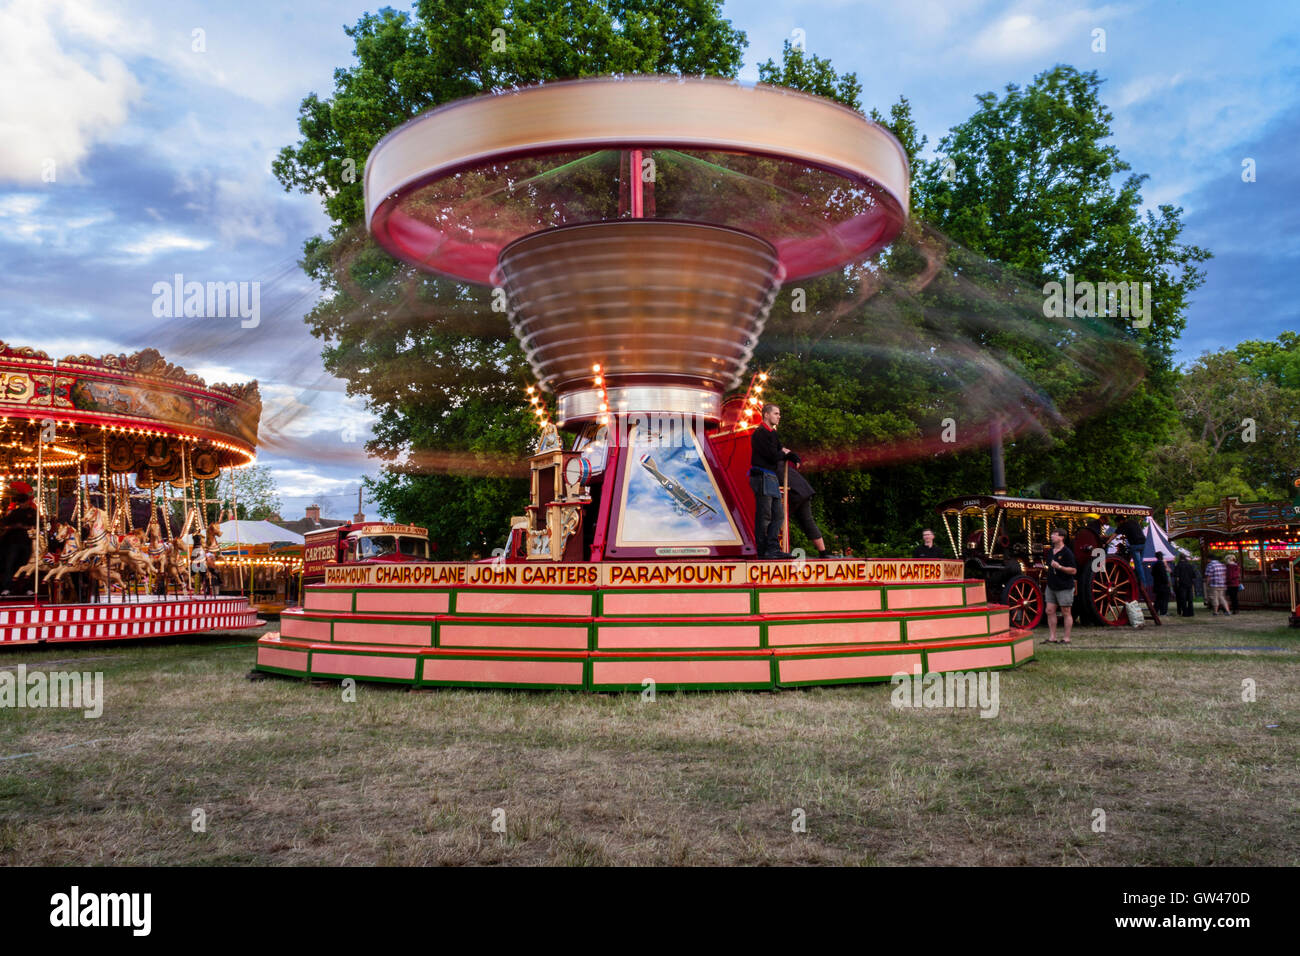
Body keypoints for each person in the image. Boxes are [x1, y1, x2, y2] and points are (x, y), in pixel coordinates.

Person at [748, 404, 799, 559]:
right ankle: (763, 551)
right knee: (764, 516)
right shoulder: (760, 434)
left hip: (771, 477)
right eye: (776, 413)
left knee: (778, 515)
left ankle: (773, 548)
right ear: (766, 415)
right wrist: (784, 454)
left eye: (779, 413)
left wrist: (792, 456)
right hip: (762, 475)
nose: (779, 416)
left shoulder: (773, 434)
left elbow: (781, 450)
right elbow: (772, 455)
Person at [780, 461, 831, 558]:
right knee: (808, 521)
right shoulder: (781, 461)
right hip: (804, 491)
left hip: (795, 493)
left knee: (778, 520)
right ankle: (823, 552)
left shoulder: (773, 465)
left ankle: (776, 550)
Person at [0, 480, 38, 596]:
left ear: (27, 501)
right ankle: (7, 587)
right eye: (20, 502)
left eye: (23, 502)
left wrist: (24, 527)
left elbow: (36, 525)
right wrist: (13, 526)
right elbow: (4, 523)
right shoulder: (14, 513)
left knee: (26, 566)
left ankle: (28, 588)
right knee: (10, 565)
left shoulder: (32, 512)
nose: (22, 504)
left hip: (26, 543)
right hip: (14, 542)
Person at [1043, 527, 1077, 644]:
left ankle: (1066, 638)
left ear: (1061, 537)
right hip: (1051, 585)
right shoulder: (1050, 552)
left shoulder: (1067, 553)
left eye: (1054, 534)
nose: (1052, 536)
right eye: (1052, 534)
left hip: (1064, 586)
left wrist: (1060, 567)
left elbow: (1073, 571)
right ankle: (1052, 637)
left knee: (1066, 612)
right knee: (1049, 610)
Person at [1112, 514, 1151, 597]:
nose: (1117, 525)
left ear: (1120, 521)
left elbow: (1114, 535)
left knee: (1138, 565)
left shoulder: (1123, 525)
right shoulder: (1134, 522)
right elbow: (1133, 532)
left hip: (1135, 546)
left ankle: (1143, 584)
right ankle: (1140, 580)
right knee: (1140, 564)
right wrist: (1125, 537)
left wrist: (1106, 542)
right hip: (1143, 544)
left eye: (1117, 523)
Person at [1173, 553, 1196, 617]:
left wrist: (1177, 585)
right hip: (1189, 584)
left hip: (1182, 585)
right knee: (1190, 599)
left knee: (1183, 599)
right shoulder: (1189, 565)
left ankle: (1185, 613)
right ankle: (1191, 612)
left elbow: (1177, 577)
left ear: (1180, 558)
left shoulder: (1178, 566)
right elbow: (1193, 576)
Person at [1152, 551, 1171, 616]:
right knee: (1164, 599)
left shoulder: (1154, 564)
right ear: (1161, 556)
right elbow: (1164, 575)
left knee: (1158, 599)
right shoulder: (1161, 564)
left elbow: (1152, 573)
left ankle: (1155, 611)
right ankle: (1163, 612)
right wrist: (1167, 582)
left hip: (1157, 584)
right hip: (1163, 585)